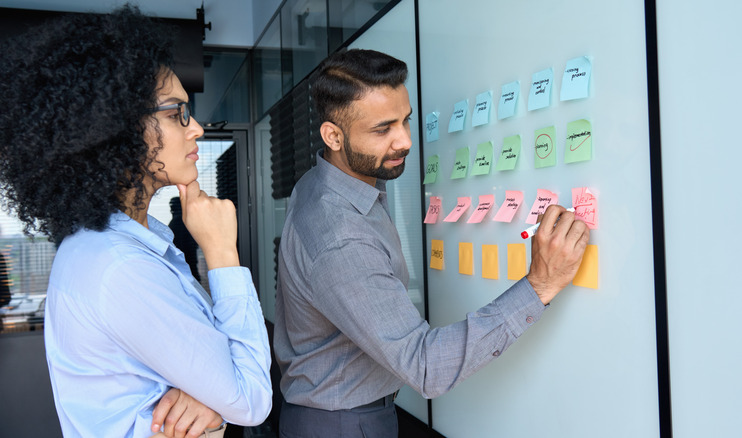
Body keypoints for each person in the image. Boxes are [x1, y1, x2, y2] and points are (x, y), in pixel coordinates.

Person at [273, 49, 590, 437]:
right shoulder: (340, 235)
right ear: (333, 136)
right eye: (382, 129)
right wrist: (538, 285)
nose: (404, 140)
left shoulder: (324, 182)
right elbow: (424, 367)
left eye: (405, 120)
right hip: (342, 424)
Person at [0, 6, 272, 438]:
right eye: (176, 112)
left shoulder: (128, 242)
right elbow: (251, 398)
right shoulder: (119, 268)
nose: (197, 128)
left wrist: (210, 393)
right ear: (116, 129)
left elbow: (214, 367)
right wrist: (222, 252)